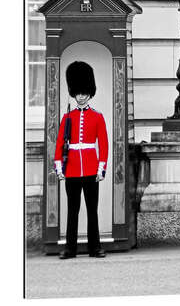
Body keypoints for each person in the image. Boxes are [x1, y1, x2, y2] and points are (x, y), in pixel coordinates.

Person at [54, 61, 109, 259]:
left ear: (89, 92)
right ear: (74, 93)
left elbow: (103, 144)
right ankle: (70, 249)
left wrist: (101, 168)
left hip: (91, 169)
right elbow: (60, 143)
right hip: (72, 170)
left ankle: (95, 248)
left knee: (92, 211)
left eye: (84, 92)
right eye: (78, 93)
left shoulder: (97, 117)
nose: (81, 96)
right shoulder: (67, 117)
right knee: (72, 211)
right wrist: (59, 166)